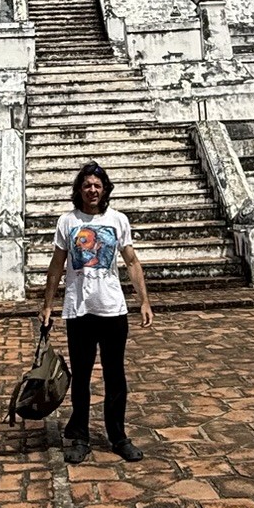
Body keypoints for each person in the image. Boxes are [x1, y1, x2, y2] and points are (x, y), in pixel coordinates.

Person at [38, 160, 153, 463]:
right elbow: (56, 266)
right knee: (82, 376)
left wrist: (143, 301)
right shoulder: (67, 222)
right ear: (79, 190)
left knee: (116, 375)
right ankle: (79, 435)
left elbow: (131, 262)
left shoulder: (118, 220)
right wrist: (48, 304)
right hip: (79, 310)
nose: (92, 190)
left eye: (97, 186)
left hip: (112, 308)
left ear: (105, 191)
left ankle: (118, 435)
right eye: (87, 185)